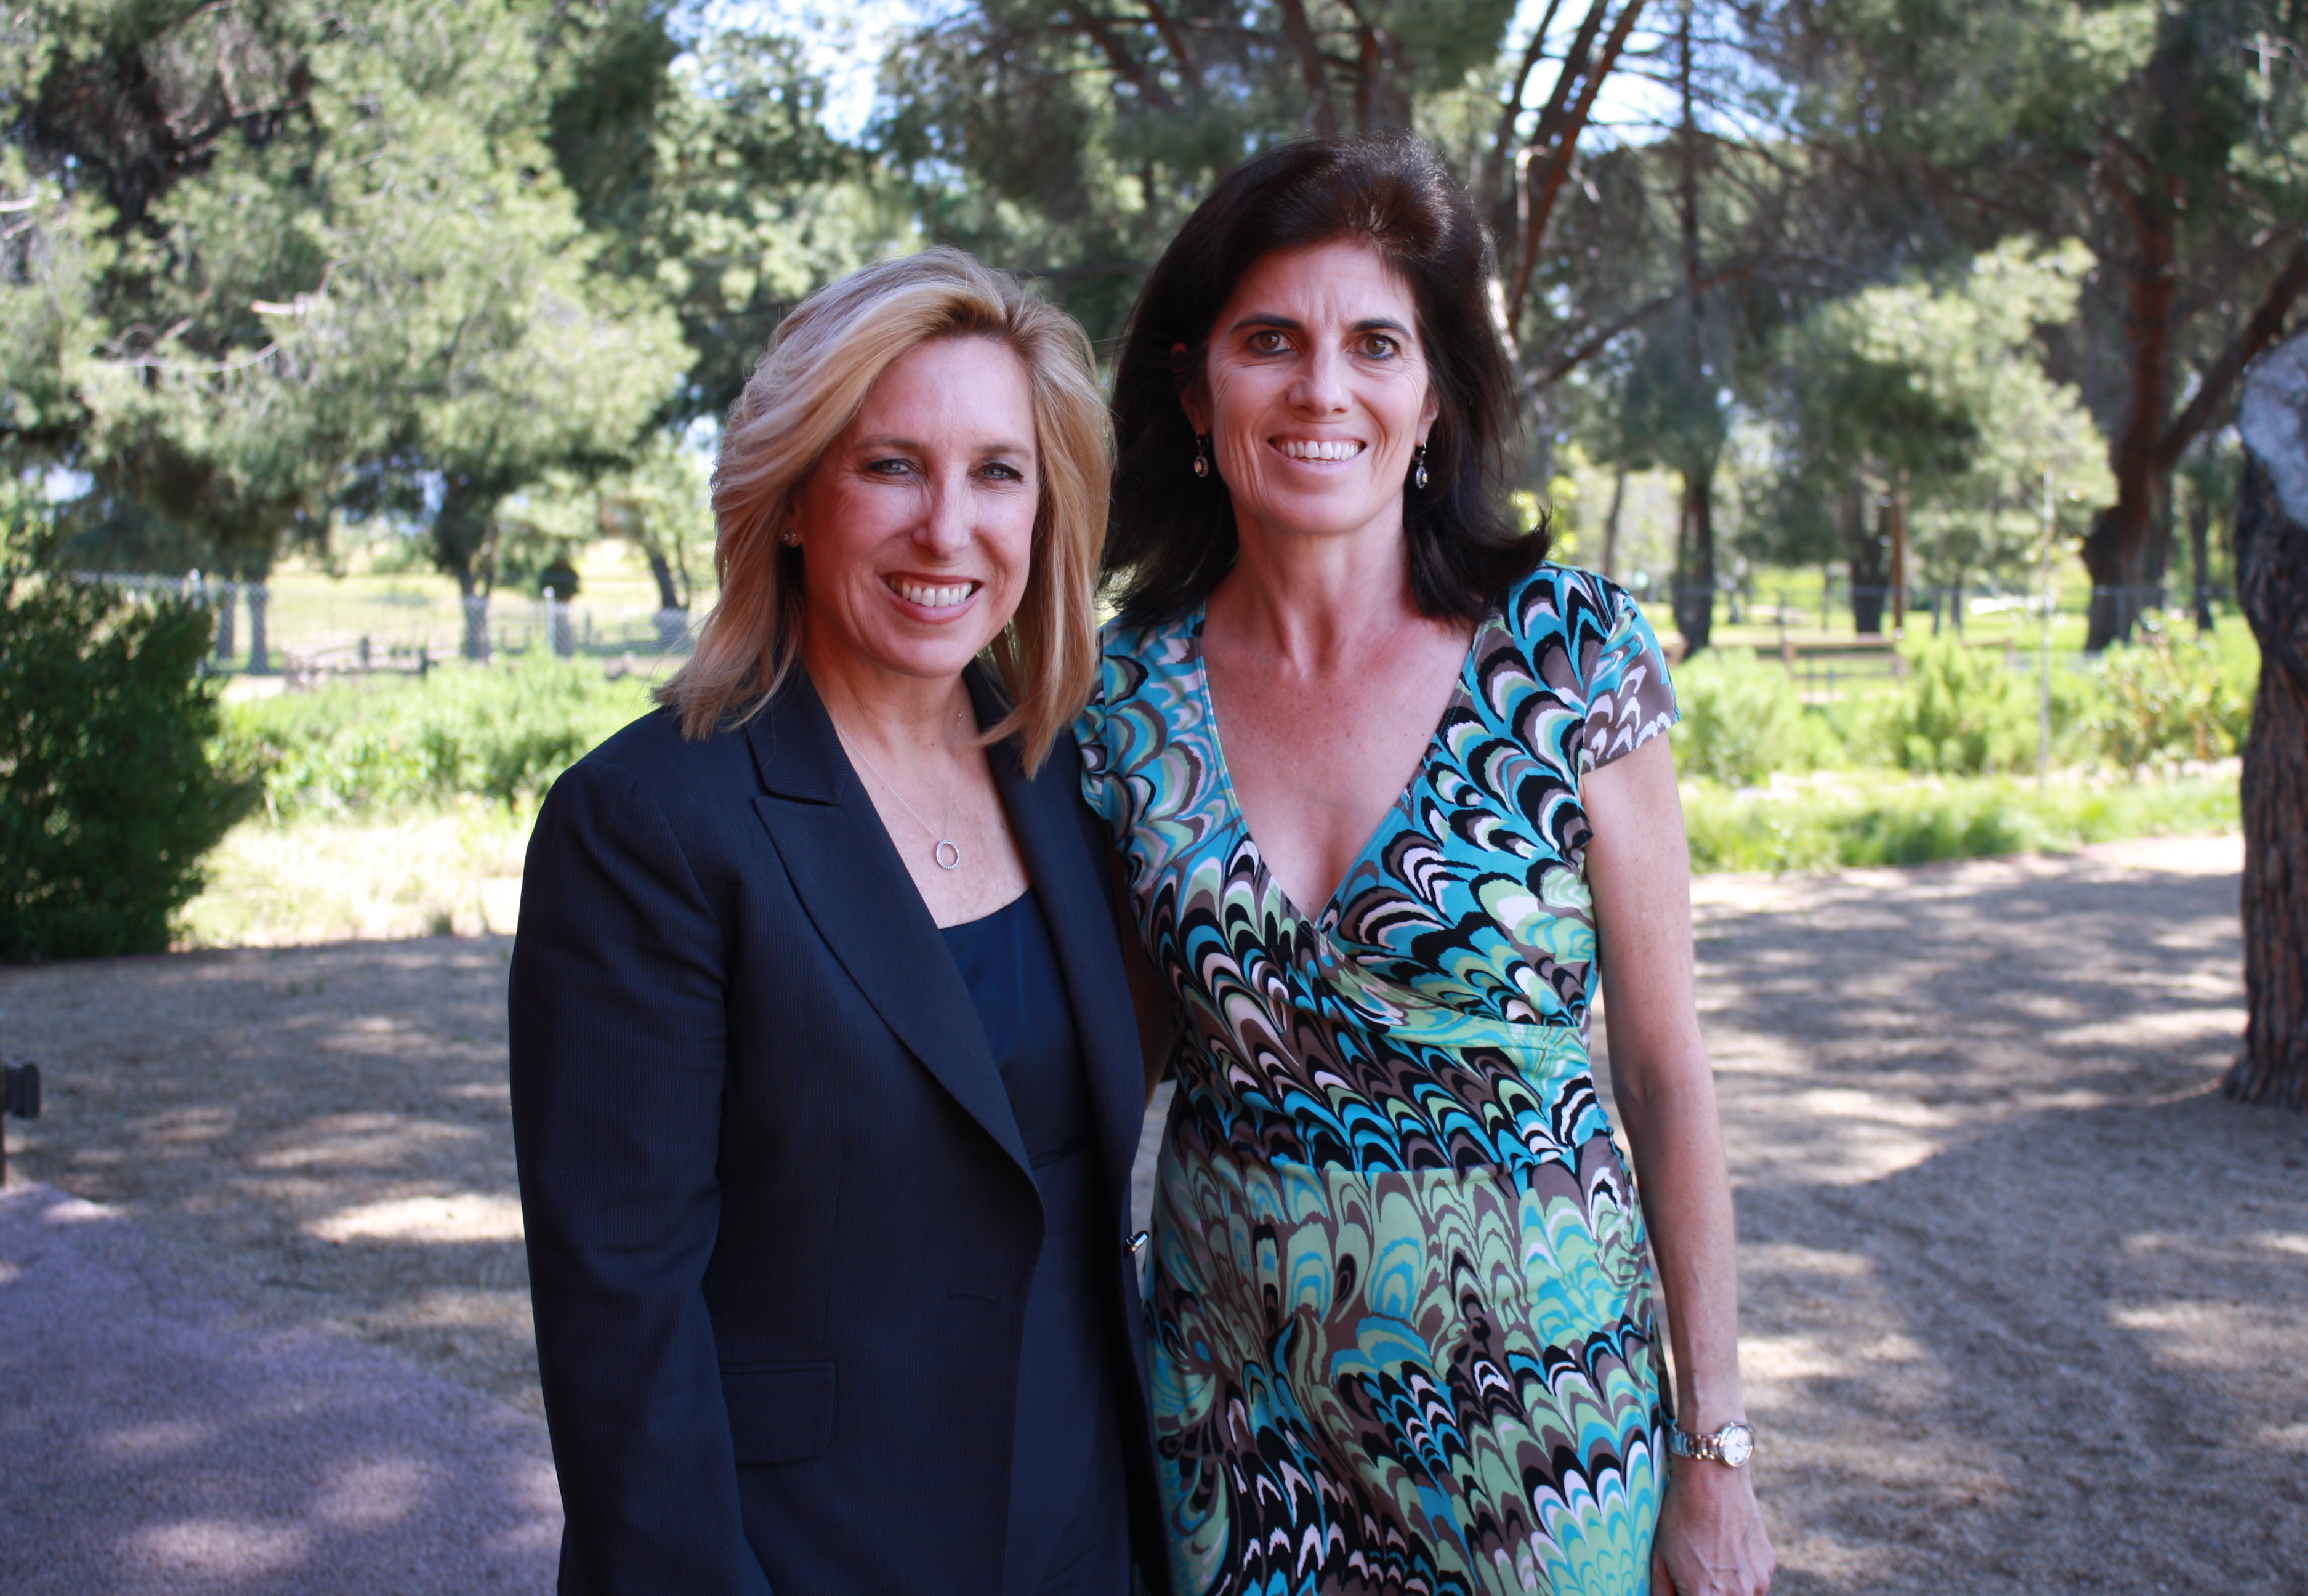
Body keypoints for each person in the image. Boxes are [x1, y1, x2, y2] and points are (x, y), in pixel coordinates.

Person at [1079, 138, 1775, 1596]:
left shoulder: (1568, 654)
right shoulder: (1123, 699)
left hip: (1547, 1431)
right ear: (1198, 391)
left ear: (1435, 398)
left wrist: (1714, 1451)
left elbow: (1662, 1070)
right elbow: (1109, 1073)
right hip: (1229, 1417)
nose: (1322, 388)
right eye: (1271, 340)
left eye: (1374, 343)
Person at [511, 248, 1165, 1595]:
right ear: (797, 496)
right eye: (890, 467)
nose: (949, 528)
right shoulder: (649, 824)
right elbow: (623, 1321)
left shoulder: (1066, 781)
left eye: (998, 472)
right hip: (801, 1557)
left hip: (1077, 1538)